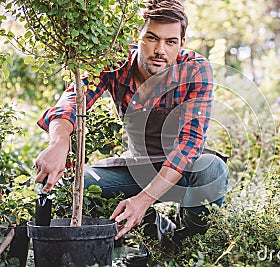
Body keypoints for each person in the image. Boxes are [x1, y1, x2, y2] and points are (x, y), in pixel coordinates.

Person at [34, 0, 229, 248]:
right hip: (138, 166)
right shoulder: (114, 62)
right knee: (78, 187)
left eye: (171, 42)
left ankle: (183, 247)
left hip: (183, 168)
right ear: (136, 36)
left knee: (212, 171)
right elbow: (72, 100)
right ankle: (153, 227)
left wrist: (143, 199)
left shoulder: (195, 70)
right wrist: (59, 141)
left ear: (181, 43)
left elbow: (189, 143)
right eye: (151, 38)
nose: (160, 50)